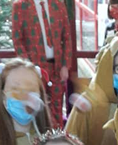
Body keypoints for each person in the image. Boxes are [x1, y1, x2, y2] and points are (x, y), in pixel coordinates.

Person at [12, 0, 73, 128]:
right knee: (36, 110)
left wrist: (65, 65)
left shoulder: (58, 4)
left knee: (56, 110)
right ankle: (38, 138)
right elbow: (17, 40)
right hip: (35, 69)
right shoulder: (20, 6)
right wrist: (29, 68)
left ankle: (57, 137)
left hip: (57, 68)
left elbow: (67, 37)